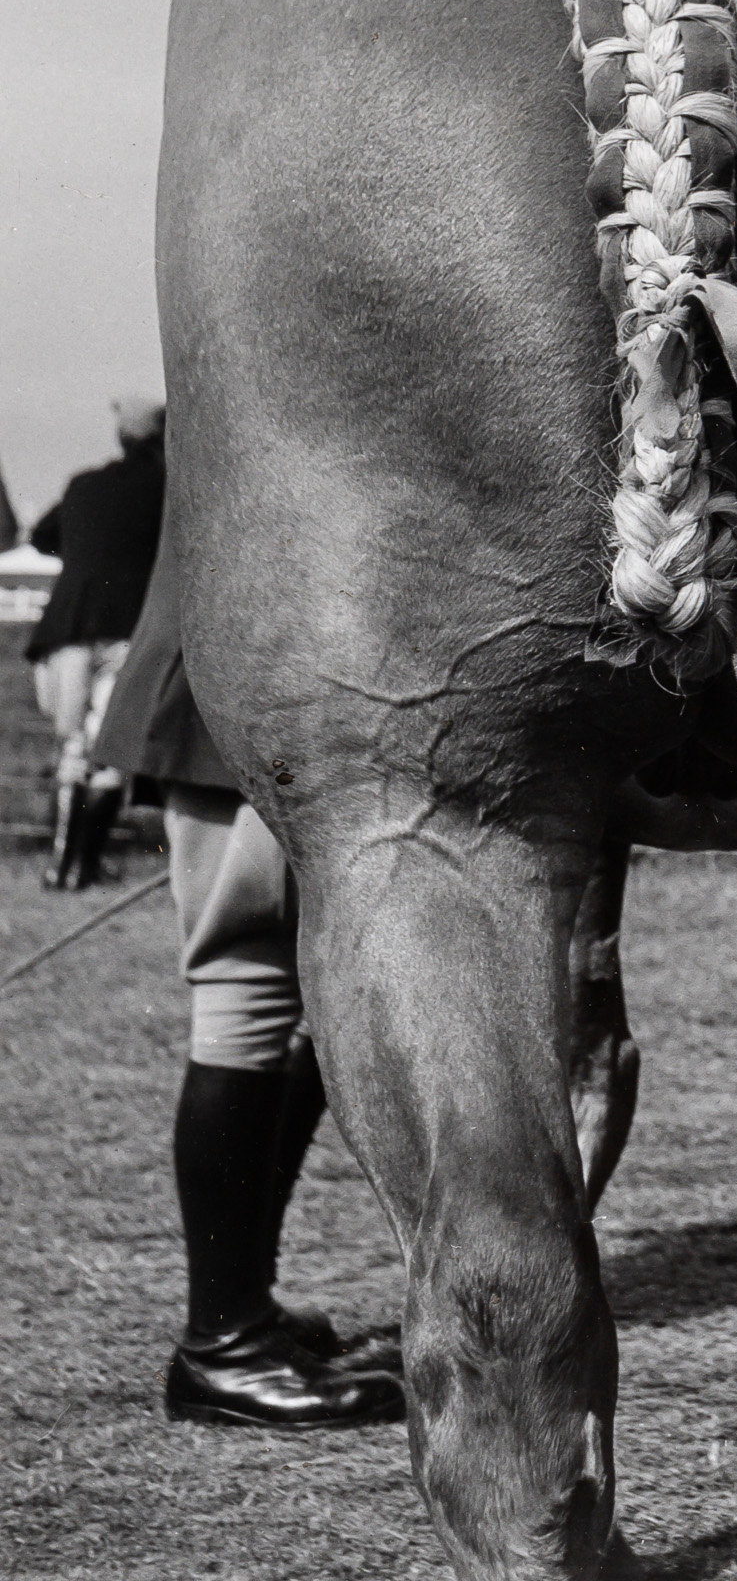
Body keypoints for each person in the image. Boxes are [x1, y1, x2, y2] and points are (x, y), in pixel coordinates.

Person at [95, 512, 403, 1428]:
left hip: (282, 679)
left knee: (302, 1004)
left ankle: (244, 1308)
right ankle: (222, 1344)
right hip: (240, 690)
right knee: (247, 991)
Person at [25, 397, 167, 889]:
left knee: (73, 747)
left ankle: (58, 866)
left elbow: (43, 535)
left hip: (68, 627)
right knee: (109, 751)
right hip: (128, 630)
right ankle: (85, 864)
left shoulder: (84, 484)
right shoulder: (165, 489)